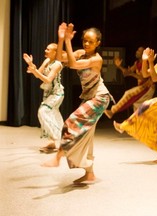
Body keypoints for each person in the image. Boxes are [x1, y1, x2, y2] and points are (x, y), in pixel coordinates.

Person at [42, 22, 111, 184]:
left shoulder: (96, 59)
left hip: (100, 97)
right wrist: (61, 40)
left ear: (98, 43)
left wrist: (67, 41)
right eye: (85, 40)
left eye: (91, 42)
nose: (87, 44)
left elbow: (72, 64)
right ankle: (90, 174)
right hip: (89, 98)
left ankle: (57, 158)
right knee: (87, 137)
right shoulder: (81, 53)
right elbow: (60, 59)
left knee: (70, 123)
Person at [113, 45, 157, 163]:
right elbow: (145, 74)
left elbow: (155, 78)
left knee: (146, 105)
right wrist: (145, 60)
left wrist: (150, 62)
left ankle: (124, 126)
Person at [23, 43, 64, 153]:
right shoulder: (47, 61)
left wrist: (34, 70)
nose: (45, 50)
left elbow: (48, 80)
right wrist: (31, 65)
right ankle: (55, 141)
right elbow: (37, 74)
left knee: (43, 111)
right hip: (48, 93)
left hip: (57, 94)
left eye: (48, 49)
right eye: (46, 48)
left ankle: (55, 138)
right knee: (53, 115)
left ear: (55, 52)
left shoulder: (57, 64)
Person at [104, 46, 155, 119]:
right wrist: (119, 66)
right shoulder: (137, 63)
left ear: (143, 53)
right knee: (138, 107)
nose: (136, 52)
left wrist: (132, 74)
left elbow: (144, 78)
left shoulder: (146, 63)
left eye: (139, 51)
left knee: (128, 94)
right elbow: (127, 72)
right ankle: (136, 125)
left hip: (148, 87)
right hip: (143, 87)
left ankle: (112, 111)